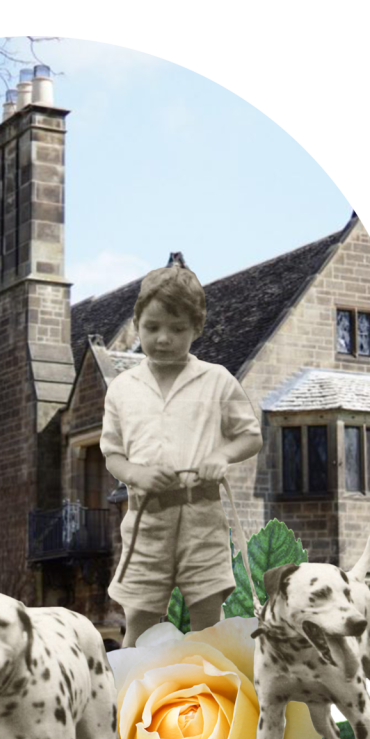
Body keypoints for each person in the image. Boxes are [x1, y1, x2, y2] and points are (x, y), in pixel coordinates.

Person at [101, 260, 263, 648]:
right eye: (152, 328)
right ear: (137, 322)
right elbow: (113, 455)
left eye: (177, 329)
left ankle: (216, 699)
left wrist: (222, 457)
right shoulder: (123, 387)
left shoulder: (216, 379)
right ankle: (125, 704)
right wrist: (136, 474)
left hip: (201, 515)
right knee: (139, 619)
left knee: (209, 620)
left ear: (197, 328)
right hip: (146, 517)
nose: (163, 339)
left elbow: (250, 436)